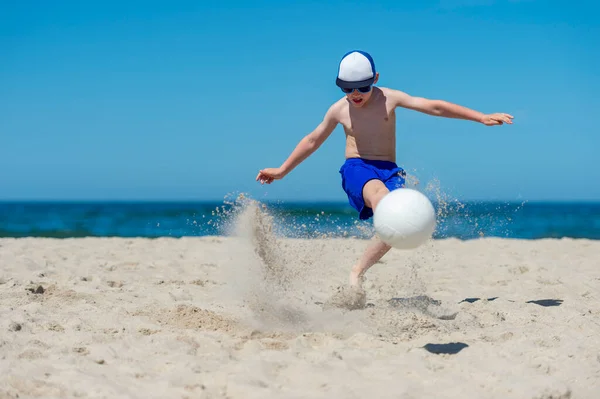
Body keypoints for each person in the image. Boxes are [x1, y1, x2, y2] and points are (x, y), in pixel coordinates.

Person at [256, 50, 513, 289]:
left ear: (375, 79)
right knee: (383, 201)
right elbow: (313, 140)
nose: (355, 93)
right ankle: (358, 269)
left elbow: (433, 106)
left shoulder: (390, 98)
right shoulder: (339, 110)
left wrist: (480, 116)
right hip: (357, 168)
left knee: (395, 225)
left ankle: (357, 271)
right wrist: (282, 170)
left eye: (363, 87)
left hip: (389, 170)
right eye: (347, 88)